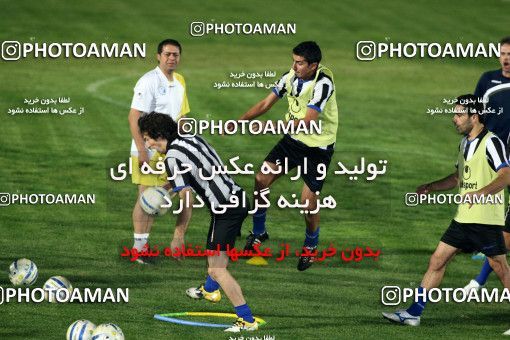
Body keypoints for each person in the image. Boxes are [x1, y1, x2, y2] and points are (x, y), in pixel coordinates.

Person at [382, 94, 510, 326]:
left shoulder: (492, 142)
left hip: (485, 220)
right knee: (437, 261)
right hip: (463, 219)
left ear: (475, 116)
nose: (454, 119)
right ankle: (414, 313)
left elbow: (506, 175)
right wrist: (432, 187)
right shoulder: (463, 144)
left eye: (460, 114)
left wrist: (481, 194)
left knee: (500, 267)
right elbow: (458, 178)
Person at [138, 113, 258, 333]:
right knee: (214, 257)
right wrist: (163, 190)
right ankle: (210, 291)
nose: (147, 144)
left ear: (159, 135)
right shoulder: (191, 137)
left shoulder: (172, 158)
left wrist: (178, 236)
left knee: (217, 269)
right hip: (236, 199)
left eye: (147, 139)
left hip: (227, 210)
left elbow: (187, 199)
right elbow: (192, 170)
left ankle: (247, 319)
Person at [235, 41, 338, 271]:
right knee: (261, 179)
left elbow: (309, 121)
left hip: (317, 149)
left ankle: (311, 246)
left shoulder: (323, 84)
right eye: (294, 60)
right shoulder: (289, 77)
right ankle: (259, 232)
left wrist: (270, 127)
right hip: (292, 141)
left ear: (314, 65)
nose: (294, 66)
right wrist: (240, 121)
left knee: (307, 204)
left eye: (300, 63)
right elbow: (265, 103)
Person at [127, 39, 193, 263]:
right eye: (167, 54)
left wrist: (185, 144)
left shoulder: (181, 81)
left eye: (175, 54)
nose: (171, 58)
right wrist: (142, 151)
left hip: (170, 151)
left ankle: (145, 247)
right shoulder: (148, 81)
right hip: (149, 151)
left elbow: (181, 118)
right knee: (147, 200)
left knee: (165, 196)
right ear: (158, 56)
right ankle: (139, 249)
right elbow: (134, 117)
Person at [464, 37, 510, 291]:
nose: (506, 58)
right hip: (490, 155)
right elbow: (475, 114)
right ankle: (483, 252)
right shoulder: (487, 79)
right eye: (503, 53)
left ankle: (480, 277)